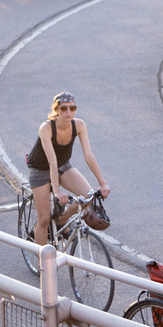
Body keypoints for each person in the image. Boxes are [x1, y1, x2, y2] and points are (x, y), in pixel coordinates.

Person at [24, 92, 111, 246]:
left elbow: (89, 156)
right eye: (63, 109)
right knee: (44, 219)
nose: (68, 112)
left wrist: (102, 183)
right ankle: (43, 265)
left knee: (88, 196)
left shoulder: (79, 125)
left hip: (63, 166)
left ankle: (60, 221)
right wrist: (57, 192)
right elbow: (52, 161)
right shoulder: (46, 128)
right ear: (56, 110)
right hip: (40, 170)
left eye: (72, 108)